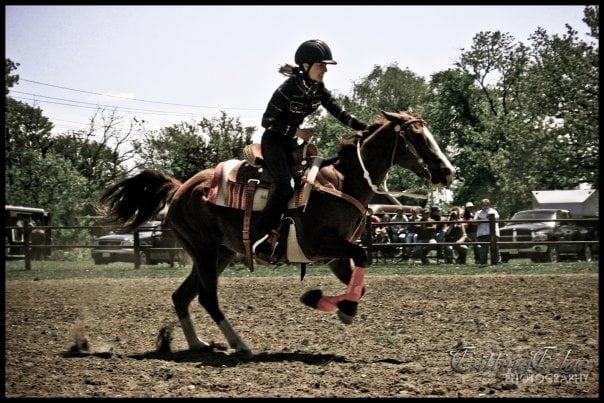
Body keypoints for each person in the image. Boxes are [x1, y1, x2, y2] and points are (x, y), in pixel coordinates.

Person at [252, 39, 369, 260]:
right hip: (273, 143)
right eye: (321, 65)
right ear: (306, 66)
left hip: (291, 146)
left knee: (309, 185)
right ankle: (262, 236)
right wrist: (297, 132)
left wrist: (368, 129)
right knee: (286, 187)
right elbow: (267, 121)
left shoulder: (319, 90)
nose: (325, 69)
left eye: (325, 66)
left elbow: (341, 114)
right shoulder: (287, 89)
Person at [475, 198, 501, 265]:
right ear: (481, 205)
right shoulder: (478, 213)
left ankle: (497, 262)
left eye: (486, 205)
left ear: (489, 205)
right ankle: (483, 263)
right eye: (483, 205)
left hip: (493, 233)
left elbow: (497, 219)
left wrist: (491, 218)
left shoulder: (494, 211)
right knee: (483, 250)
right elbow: (474, 223)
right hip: (482, 234)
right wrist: (478, 220)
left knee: (495, 248)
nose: (485, 206)